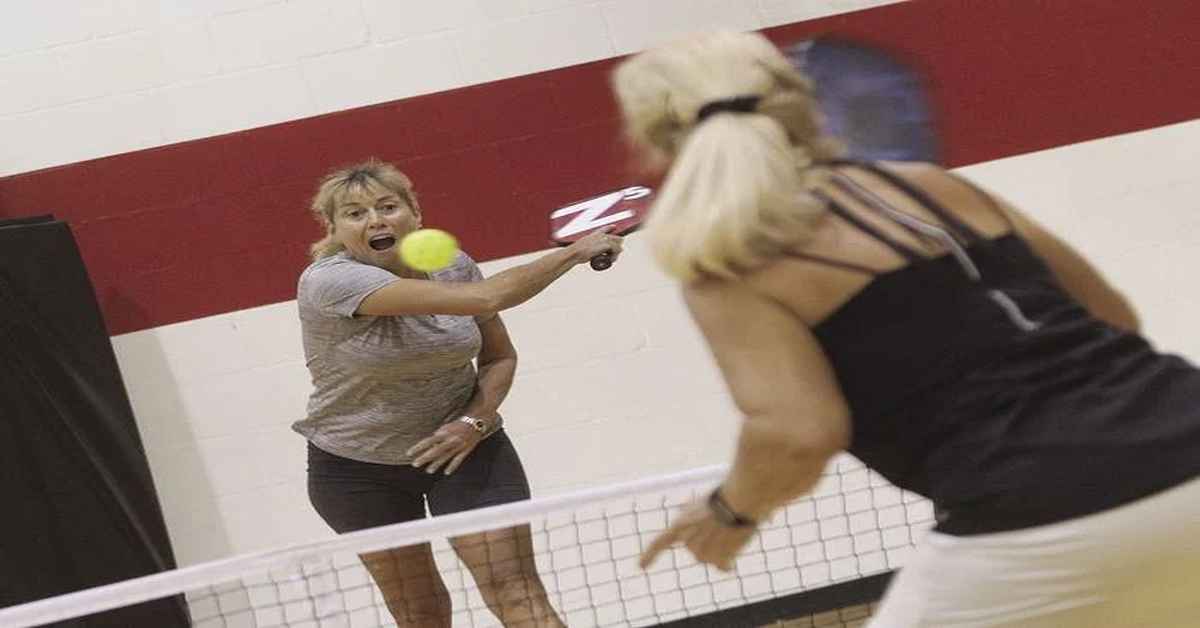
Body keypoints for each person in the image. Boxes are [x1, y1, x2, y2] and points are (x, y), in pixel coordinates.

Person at [614, 31, 1200, 627]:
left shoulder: (729, 265)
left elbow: (797, 431)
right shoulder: (925, 185)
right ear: (794, 100)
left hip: (1041, 514)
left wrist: (729, 510)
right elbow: (1112, 317)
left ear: (656, 142)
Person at [294, 160, 622, 628]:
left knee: (516, 592)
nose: (375, 220)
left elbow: (499, 359)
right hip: (358, 470)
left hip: (468, 450)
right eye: (355, 213)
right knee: (421, 611)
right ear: (334, 229)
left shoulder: (452, 265)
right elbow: (486, 299)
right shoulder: (330, 282)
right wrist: (572, 253)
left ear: (415, 213)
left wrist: (474, 422)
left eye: (388, 206)